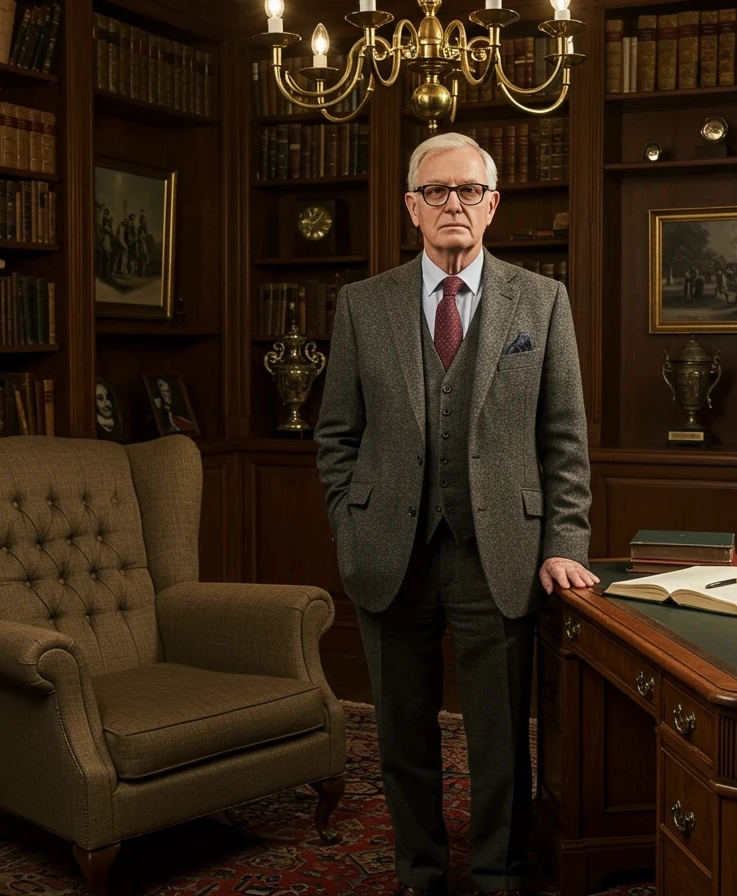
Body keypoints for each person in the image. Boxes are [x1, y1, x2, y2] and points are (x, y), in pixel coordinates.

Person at [315, 132, 597, 896]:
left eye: (469, 190)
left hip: (499, 549)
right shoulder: (361, 305)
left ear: (493, 204)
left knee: (500, 737)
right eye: (436, 191)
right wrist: (350, 521)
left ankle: (500, 873)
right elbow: (335, 435)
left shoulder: (541, 301)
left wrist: (564, 538)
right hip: (387, 550)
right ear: (412, 207)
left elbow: (564, 438)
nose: (453, 205)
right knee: (403, 734)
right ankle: (420, 871)